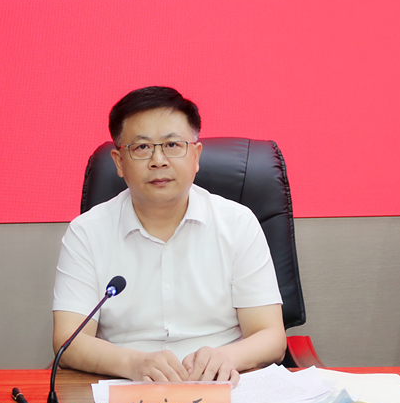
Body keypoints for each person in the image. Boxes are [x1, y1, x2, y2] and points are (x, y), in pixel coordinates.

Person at [52, 86, 286, 385]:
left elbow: (270, 336)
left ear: (196, 156)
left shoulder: (238, 223)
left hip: (221, 385)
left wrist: (226, 358)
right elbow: (69, 339)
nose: (159, 160)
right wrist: (134, 363)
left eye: (173, 145)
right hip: (127, 387)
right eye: (142, 147)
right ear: (119, 162)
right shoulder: (87, 232)